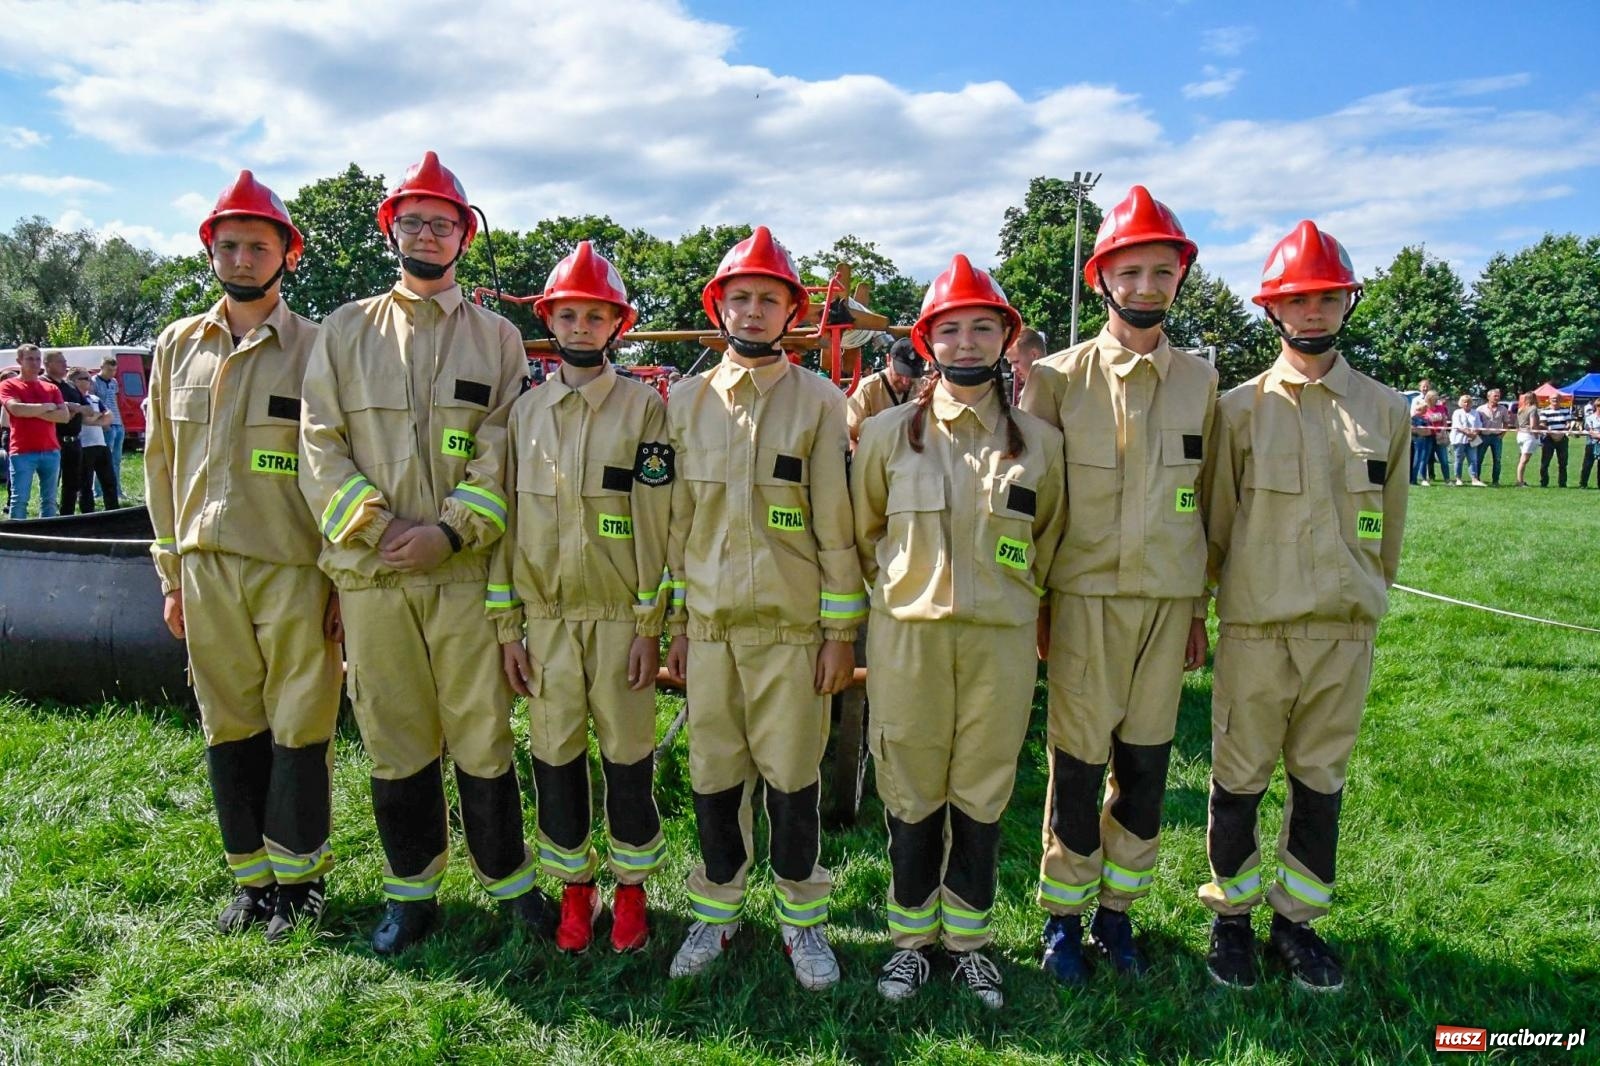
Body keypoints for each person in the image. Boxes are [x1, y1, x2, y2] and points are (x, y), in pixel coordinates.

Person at [299, 151, 547, 954]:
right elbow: (318, 443)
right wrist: (377, 529)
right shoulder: (345, 330)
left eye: (444, 224)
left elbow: (504, 448)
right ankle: (412, 894)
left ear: (465, 237)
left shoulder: (499, 339)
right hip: (373, 578)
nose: (429, 236)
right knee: (395, 737)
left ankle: (509, 883)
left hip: (464, 573)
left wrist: (449, 531)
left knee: (483, 734)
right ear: (392, 232)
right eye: (414, 222)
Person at [1199, 220, 1408, 992]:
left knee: (1320, 783)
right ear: (1273, 309)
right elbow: (1218, 524)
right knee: (1238, 780)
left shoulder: (1385, 410)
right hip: (1257, 627)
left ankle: (1297, 924)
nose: (1312, 311)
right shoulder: (1238, 410)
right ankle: (1231, 919)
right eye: (1296, 299)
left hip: (1344, 632)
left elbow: (1390, 527)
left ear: (1348, 302)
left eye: (1326, 297)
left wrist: (1366, 596)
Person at [1019, 185, 1218, 984]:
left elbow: (1205, 504)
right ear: (1101, 278)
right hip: (1083, 602)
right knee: (1074, 765)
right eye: (1129, 271)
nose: (1146, 286)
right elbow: (1034, 507)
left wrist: (1197, 608)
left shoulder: (1202, 383)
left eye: (1162, 271)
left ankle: (1117, 912)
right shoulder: (1057, 380)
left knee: (1145, 765)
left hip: (1167, 606)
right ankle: (1063, 919)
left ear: (1180, 278)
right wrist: (1038, 601)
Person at [855, 256, 1065, 1009]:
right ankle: (912, 942)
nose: (966, 342)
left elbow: (1049, 539)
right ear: (927, 341)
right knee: (910, 786)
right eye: (951, 329)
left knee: (982, 787)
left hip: (999, 642)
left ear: (1006, 338)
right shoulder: (886, 435)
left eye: (982, 327)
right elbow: (865, 533)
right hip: (908, 640)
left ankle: (970, 943)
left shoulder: (1039, 443)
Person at [661, 226, 864, 991]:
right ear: (719, 306)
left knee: (793, 781)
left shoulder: (819, 402)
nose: (752, 311)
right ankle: (717, 910)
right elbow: (677, 525)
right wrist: (678, 626)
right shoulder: (684, 404)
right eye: (740, 297)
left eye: (768, 299)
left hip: (791, 632)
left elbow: (836, 527)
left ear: (791, 312)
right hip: (711, 632)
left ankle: (801, 921)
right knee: (713, 777)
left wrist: (839, 634)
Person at [144, 170, 343, 940]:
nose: (241, 258)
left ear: (287, 255)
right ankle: (252, 881)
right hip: (204, 569)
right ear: (211, 252)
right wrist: (171, 575)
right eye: (228, 245)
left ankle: (301, 882)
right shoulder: (176, 347)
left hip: (294, 568)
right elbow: (160, 465)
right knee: (227, 722)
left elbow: (338, 467)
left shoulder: (317, 350)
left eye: (258, 246)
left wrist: (339, 578)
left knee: (301, 722)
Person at [489, 242, 671, 954]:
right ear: (549, 320)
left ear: (618, 324)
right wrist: (509, 628)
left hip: (621, 620)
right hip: (546, 623)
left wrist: (651, 624)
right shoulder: (524, 414)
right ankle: (574, 887)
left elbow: (656, 523)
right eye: (568, 315)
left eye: (596, 316)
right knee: (555, 757)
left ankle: (630, 890)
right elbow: (507, 527)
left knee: (628, 758)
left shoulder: (645, 411)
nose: (581, 327)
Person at [1, 344, 68, 518]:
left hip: (51, 450)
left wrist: (30, 411)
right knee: (19, 500)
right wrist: (46, 407)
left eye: (38, 359)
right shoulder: (9, 384)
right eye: (30, 359)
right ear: (19, 361)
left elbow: (64, 416)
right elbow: (16, 410)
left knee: (49, 500)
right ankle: (16, 534)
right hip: (22, 451)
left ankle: (47, 532)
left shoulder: (51, 388)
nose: (35, 363)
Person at [845, 337, 923, 446]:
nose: (905, 381)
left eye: (911, 375)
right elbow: (850, 437)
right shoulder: (866, 389)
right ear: (888, 360)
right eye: (900, 373)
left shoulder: (922, 388)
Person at [43, 350, 90, 515]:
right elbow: (49, 410)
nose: (65, 365)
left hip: (74, 441)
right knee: (51, 483)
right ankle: (48, 517)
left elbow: (89, 410)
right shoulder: (43, 384)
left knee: (72, 483)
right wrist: (68, 407)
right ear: (47, 364)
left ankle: (67, 516)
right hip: (53, 440)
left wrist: (75, 408)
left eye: (65, 361)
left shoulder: (70, 386)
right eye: (60, 362)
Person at [69, 369, 118, 511]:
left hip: (100, 444)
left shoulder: (94, 398)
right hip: (83, 446)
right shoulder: (73, 399)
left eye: (90, 378)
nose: (90, 382)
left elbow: (109, 416)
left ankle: (113, 511)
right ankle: (88, 513)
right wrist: (97, 417)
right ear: (74, 381)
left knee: (109, 481)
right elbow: (83, 419)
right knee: (85, 484)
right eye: (85, 378)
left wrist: (95, 418)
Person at [91, 355, 124, 502]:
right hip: (105, 424)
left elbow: (115, 401)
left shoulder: (114, 382)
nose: (112, 373)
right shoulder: (94, 382)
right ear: (102, 367)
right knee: (104, 460)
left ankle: (117, 490)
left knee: (116, 459)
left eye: (114, 370)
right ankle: (98, 491)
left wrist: (121, 422)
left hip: (117, 423)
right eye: (109, 370)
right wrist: (102, 423)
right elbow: (94, 403)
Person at [1538, 384, 1571, 488]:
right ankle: (1544, 483)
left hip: (1562, 438)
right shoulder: (1544, 411)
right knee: (1545, 463)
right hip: (1548, 438)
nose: (1555, 400)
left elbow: (1568, 423)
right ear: (1549, 400)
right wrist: (1552, 433)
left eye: (1557, 398)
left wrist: (1563, 432)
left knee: (1563, 463)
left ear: (1560, 400)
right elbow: (1542, 424)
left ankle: (1562, 483)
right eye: (1553, 399)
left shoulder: (1566, 410)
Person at [1449, 393, 1485, 487]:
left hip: (1472, 440)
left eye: (1468, 402)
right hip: (1459, 439)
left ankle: (1474, 479)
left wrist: (1474, 434)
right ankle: (1458, 479)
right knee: (1459, 459)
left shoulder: (1475, 412)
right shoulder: (1457, 412)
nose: (1466, 404)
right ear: (1461, 403)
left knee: (1473, 459)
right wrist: (1468, 433)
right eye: (1464, 402)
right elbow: (1457, 425)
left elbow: (1479, 425)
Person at [1475, 389, 1509, 486]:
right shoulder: (1480, 409)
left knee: (1497, 460)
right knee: (1479, 459)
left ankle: (1495, 481)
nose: (1497, 398)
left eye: (1498, 396)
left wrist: (1502, 435)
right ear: (1488, 397)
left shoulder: (1503, 409)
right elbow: (1476, 423)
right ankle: (1477, 479)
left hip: (1496, 438)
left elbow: (1506, 423)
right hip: (1483, 436)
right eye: (1495, 396)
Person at [1005, 326, 1046, 403]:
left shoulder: (1047, 391)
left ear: (1034, 354)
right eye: (1011, 364)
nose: (1013, 370)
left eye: (1016, 362)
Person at [1421, 390, 1450, 485]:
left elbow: (1445, 422)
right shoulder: (1424, 408)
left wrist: (1442, 431)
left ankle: (1447, 480)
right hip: (1428, 437)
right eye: (1434, 397)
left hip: (1440, 436)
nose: (1437, 399)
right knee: (1425, 459)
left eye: (1437, 397)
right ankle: (1424, 479)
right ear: (1429, 399)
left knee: (1444, 460)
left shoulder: (1441, 408)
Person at [1514, 393, 1540, 487]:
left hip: (1520, 435)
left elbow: (1516, 424)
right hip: (1529, 435)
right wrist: (1536, 435)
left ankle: (1520, 479)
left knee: (1522, 459)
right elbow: (1533, 425)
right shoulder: (1533, 408)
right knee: (1524, 460)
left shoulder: (1520, 409)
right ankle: (1520, 481)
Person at [1579, 398, 1600, 489]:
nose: (1599, 407)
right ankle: (1583, 484)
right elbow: (1589, 430)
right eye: (1598, 406)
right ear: (1595, 406)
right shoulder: (1589, 418)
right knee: (1587, 464)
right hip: (1591, 443)